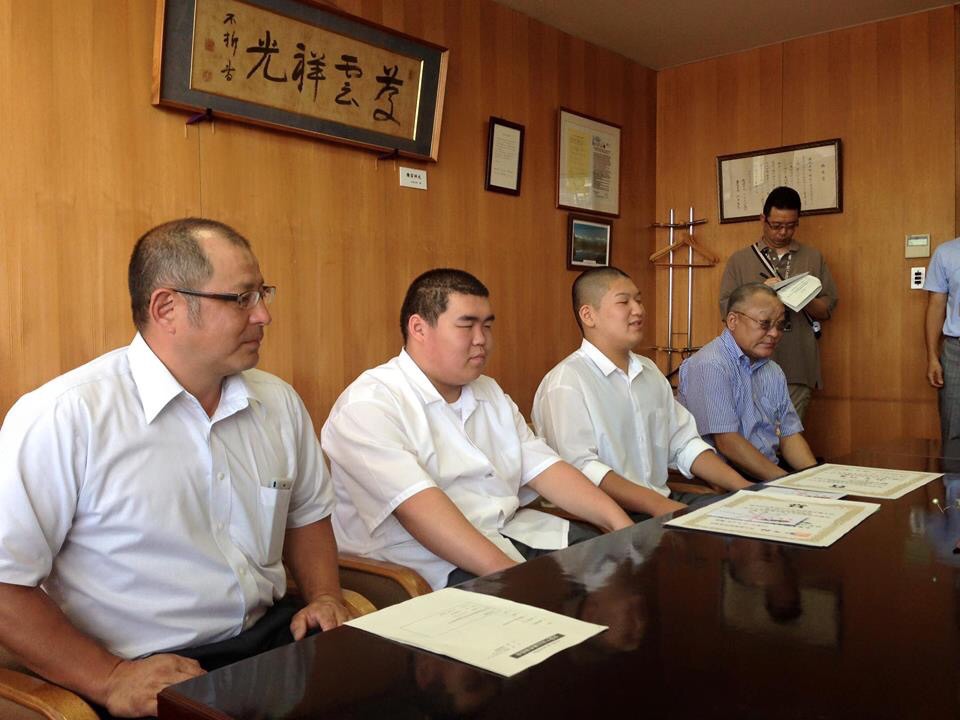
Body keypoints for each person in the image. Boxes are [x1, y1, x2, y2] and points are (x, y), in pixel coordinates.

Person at [0, 218, 350, 719]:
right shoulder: (66, 416)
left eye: (263, 294)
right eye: (242, 298)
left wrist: (325, 595)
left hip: (271, 641)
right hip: (143, 670)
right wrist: (109, 677)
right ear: (167, 308)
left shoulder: (278, 402)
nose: (264, 315)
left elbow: (306, 514)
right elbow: (5, 584)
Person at [321, 268, 632, 591]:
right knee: (560, 602)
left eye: (487, 326)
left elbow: (547, 469)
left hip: (514, 533)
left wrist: (623, 527)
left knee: (621, 566)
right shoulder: (369, 404)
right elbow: (421, 513)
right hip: (430, 563)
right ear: (419, 328)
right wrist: (520, 581)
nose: (481, 339)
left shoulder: (488, 391)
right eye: (466, 325)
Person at [532, 267, 752, 521]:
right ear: (588, 315)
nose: (638, 310)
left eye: (638, 300)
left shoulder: (649, 371)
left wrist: (747, 489)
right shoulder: (567, 382)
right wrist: (661, 506)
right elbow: (582, 469)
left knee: (749, 517)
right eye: (624, 302)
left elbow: (684, 445)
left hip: (663, 502)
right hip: (608, 518)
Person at [718, 186, 838, 421]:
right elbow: (727, 310)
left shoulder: (812, 257)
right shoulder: (740, 260)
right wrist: (762, 292)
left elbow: (827, 308)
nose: (783, 232)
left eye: (791, 225)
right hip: (749, 365)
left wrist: (799, 297)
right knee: (752, 434)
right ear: (762, 219)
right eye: (776, 225)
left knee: (788, 433)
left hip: (798, 364)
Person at [678, 283, 817, 481]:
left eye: (780, 325)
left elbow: (789, 435)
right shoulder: (710, 364)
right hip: (723, 481)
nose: (774, 333)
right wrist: (786, 483)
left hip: (767, 473)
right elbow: (727, 443)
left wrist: (814, 479)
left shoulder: (773, 370)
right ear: (733, 321)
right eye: (764, 324)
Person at [924, 237, 960, 446]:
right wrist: (932, 357)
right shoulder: (946, 253)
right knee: (953, 432)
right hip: (955, 351)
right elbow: (936, 306)